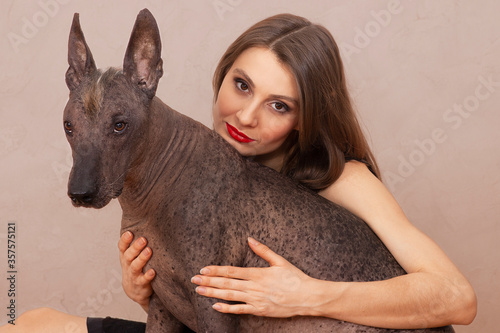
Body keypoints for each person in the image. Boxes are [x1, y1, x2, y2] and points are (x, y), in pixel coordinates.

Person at [2, 13, 476, 333]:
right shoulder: (194, 172)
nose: (246, 117)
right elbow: (212, 299)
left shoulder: (341, 177)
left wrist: (309, 295)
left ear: (305, 115)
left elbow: (456, 298)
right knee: (30, 322)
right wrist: (144, 290)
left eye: (278, 105)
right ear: (222, 73)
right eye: (242, 85)